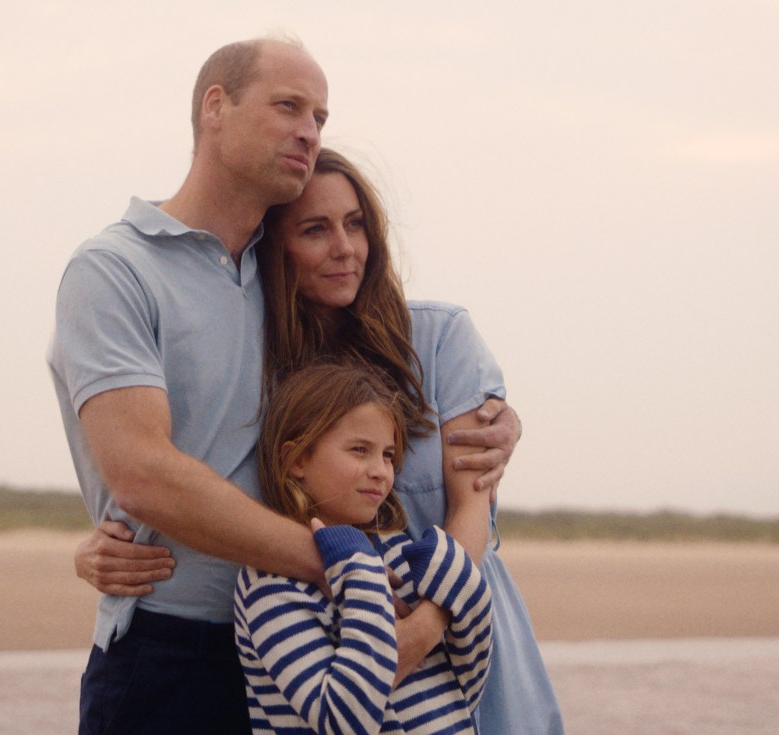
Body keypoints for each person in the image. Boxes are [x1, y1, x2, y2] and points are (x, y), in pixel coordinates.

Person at [49, 38, 520, 734]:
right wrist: (342, 565)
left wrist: (500, 420)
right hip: (174, 646)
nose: (309, 130)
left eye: (320, 117)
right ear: (216, 106)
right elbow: (142, 473)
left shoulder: (283, 290)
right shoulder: (115, 269)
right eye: (288, 106)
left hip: (298, 650)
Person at [236, 362, 493, 734]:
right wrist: (360, 572)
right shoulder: (271, 582)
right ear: (297, 459)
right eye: (360, 450)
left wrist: (459, 578)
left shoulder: (398, 551)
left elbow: (466, 682)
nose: (381, 470)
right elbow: (343, 720)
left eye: (388, 455)